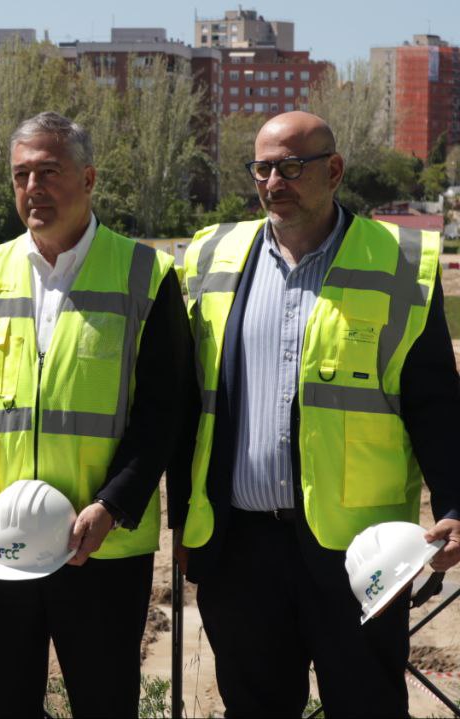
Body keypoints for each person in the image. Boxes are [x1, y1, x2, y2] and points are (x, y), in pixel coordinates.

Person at [172, 110, 460, 716]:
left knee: (366, 706)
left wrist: (456, 505)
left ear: (334, 170)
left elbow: (435, 403)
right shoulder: (212, 256)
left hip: (360, 551)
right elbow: (183, 400)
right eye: (262, 169)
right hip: (239, 549)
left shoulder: (399, 263)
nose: (274, 183)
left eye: (292, 167)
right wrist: (184, 524)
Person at [0, 111, 194, 717]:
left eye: (48, 172)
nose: (33, 188)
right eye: (21, 175)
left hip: (99, 549)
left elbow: (164, 410)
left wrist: (113, 505)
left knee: (105, 703)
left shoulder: (145, 275)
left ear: (89, 178)